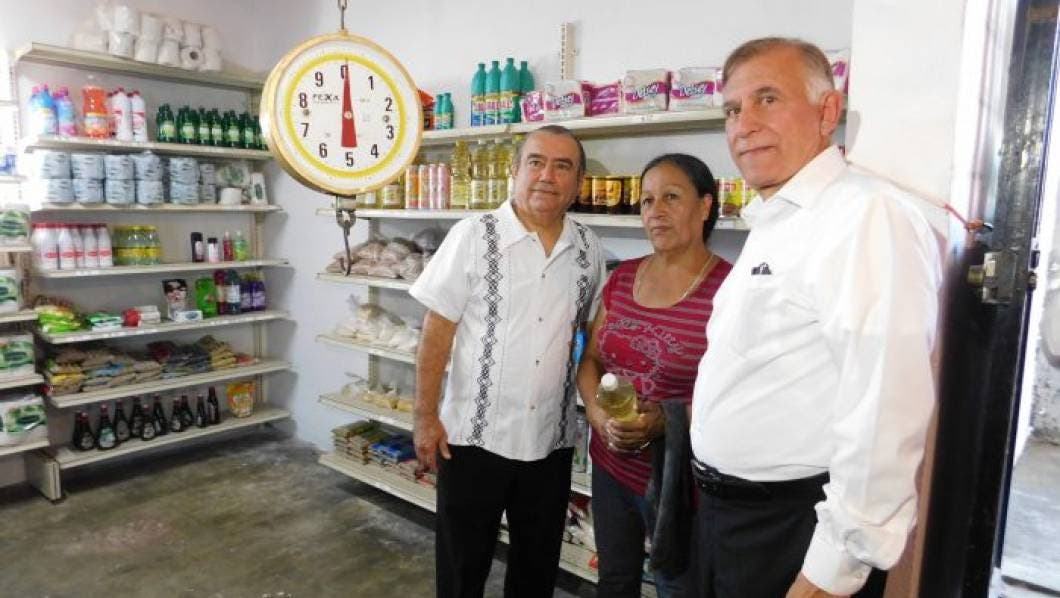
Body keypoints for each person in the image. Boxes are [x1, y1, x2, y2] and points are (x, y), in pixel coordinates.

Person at [689, 37, 941, 598]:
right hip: (729, 517)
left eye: (767, 99)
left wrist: (829, 573)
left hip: (790, 527)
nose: (744, 125)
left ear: (827, 111)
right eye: (732, 109)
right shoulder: (775, 220)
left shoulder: (864, 215)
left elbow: (884, 411)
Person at [409, 124, 607, 598]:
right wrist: (424, 416)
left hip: (550, 442)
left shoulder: (588, 248)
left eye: (563, 166)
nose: (547, 176)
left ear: (578, 182)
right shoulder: (473, 236)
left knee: (536, 573)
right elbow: (437, 332)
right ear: (515, 171)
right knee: (462, 571)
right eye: (536, 162)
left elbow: (589, 339)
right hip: (472, 440)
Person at [577, 153, 732, 598]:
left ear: (705, 205)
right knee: (615, 580)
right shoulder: (623, 277)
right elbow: (591, 361)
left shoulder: (729, 290)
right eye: (647, 200)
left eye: (671, 197)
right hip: (611, 466)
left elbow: (736, 396)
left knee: (677, 587)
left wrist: (666, 420)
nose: (656, 211)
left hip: (680, 483)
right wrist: (597, 416)